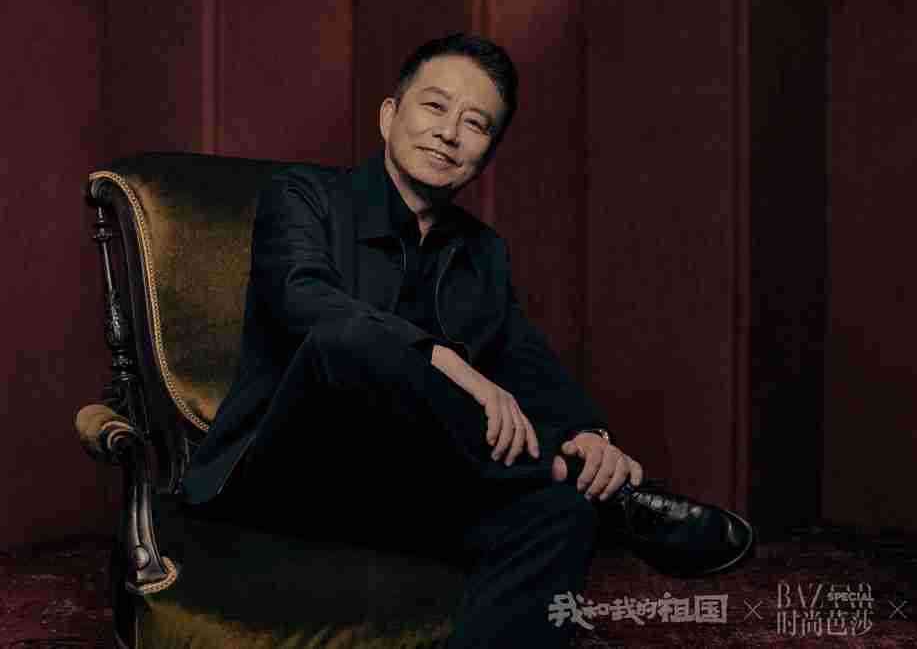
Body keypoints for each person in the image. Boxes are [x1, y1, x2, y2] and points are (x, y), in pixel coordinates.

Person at [181, 33, 753, 648]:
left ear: (486, 153)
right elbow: (305, 302)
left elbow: (526, 361)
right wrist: (444, 359)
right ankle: (596, 496)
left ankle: (579, 490)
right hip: (286, 478)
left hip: (407, 491)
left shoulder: (482, 253)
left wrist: (589, 436)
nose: (449, 133)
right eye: (434, 106)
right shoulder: (305, 195)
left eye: (475, 124)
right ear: (389, 116)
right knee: (344, 346)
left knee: (558, 513)